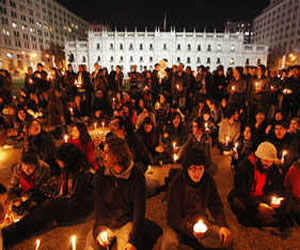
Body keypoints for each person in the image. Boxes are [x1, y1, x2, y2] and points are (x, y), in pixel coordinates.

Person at [1, 144, 94, 248]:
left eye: (60, 160)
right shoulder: (69, 169)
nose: (58, 163)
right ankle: (7, 234)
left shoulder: (86, 174)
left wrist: (54, 206)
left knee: (37, 220)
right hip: (61, 202)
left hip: (72, 210)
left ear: (69, 159)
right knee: (34, 209)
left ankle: (6, 237)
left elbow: (79, 202)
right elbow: (57, 190)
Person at [85, 135, 158, 250]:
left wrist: (133, 242)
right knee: (91, 243)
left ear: (118, 155)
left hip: (126, 222)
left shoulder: (136, 177)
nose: (103, 156)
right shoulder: (101, 175)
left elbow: (139, 213)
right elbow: (99, 208)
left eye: (107, 153)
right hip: (107, 223)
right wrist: (99, 230)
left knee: (124, 245)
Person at [162, 148, 232, 249]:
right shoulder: (177, 184)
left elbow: (215, 204)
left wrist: (223, 225)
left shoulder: (207, 180)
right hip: (179, 226)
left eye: (200, 169)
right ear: (187, 168)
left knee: (225, 239)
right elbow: (172, 218)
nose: (197, 173)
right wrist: (190, 229)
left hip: (200, 222)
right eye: (193, 169)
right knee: (168, 243)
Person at [228, 142, 285, 227]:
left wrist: (274, 201)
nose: (268, 164)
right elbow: (241, 192)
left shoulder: (273, 169)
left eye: (271, 161)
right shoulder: (244, 167)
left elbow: (276, 189)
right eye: (265, 160)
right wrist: (257, 205)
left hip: (262, 197)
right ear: (258, 158)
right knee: (238, 202)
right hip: (247, 197)